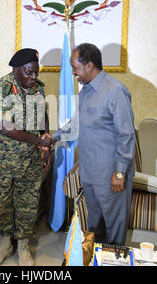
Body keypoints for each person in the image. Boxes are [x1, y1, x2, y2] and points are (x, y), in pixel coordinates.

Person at [42, 43, 135, 245]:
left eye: (76, 68)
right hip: (89, 173)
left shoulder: (116, 91)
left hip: (111, 176)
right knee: (94, 228)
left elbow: (126, 135)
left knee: (114, 230)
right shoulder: (85, 92)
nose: (74, 73)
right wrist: (54, 136)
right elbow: (76, 124)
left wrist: (120, 172)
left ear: (90, 65)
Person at [0, 48, 51, 266]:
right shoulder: (0, 89)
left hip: (29, 161)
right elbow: (4, 127)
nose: (34, 77)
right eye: (29, 73)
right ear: (16, 69)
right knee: (0, 203)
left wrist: (46, 143)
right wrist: (38, 142)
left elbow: (43, 116)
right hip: (0, 161)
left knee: (27, 204)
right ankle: (4, 244)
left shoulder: (38, 89)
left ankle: (23, 247)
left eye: (36, 73)